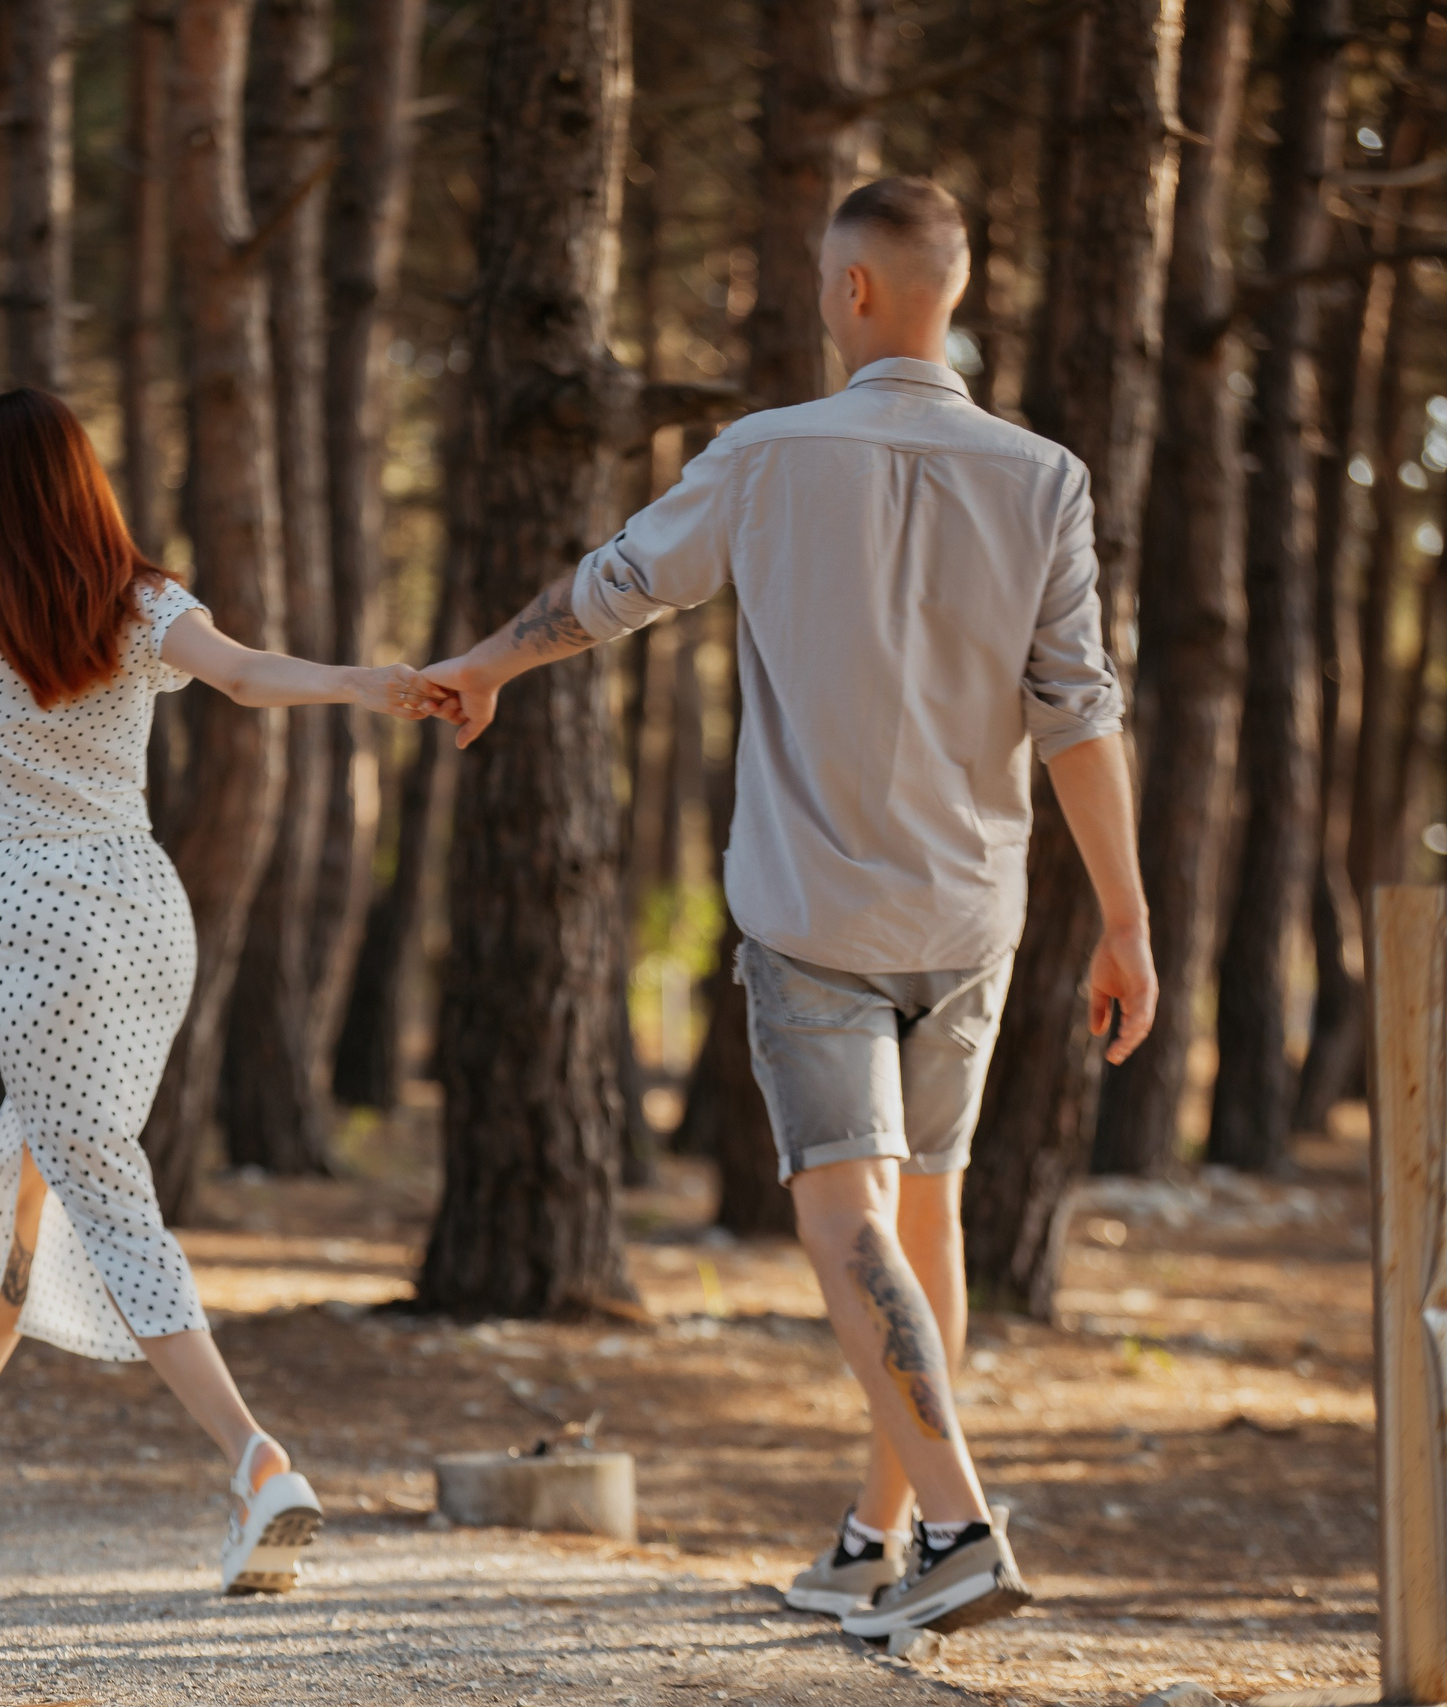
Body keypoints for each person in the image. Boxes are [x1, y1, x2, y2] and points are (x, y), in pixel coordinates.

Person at [419, 176, 1156, 1638]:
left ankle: (958, 1523)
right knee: (924, 1223)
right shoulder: (1045, 477)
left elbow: (618, 587)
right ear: (957, 285)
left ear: (856, 292)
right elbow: (1080, 715)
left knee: (847, 1221)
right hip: (969, 916)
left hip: (816, 909)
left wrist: (494, 662)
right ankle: (872, 1535)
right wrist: (1129, 922)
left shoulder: (766, 454)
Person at [0, 387, 441, 1594]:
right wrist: (363, 682)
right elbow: (242, 677)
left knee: (103, 1194)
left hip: (36, 924)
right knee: (27, 1172)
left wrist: (12, 899)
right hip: (144, 913)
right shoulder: (135, 603)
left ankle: (256, 1462)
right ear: (85, 486)